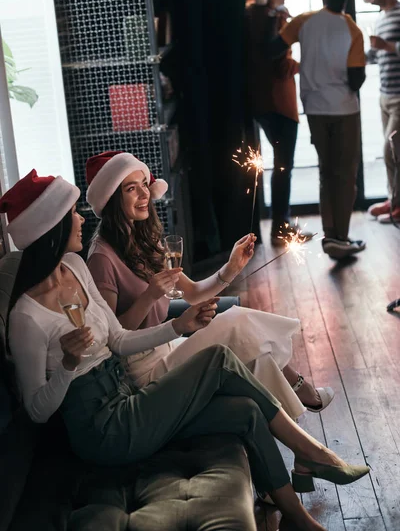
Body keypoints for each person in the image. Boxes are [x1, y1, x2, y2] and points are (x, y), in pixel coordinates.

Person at [1, 169, 370, 531]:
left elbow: (117, 339)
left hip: (128, 397)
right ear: (50, 228)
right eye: (71, 215)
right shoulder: (26, 316)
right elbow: (35, 411)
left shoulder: (75, 266)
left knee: (245, 411)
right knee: (221, 356)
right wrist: (66, 366)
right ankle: (313, 452)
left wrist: (180, 325)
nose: (81, 219)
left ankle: (299, 517)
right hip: (103, 430)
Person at [85, 150, 334, 421]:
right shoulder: (101, 258)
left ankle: (303, 452)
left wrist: (232, 267)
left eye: (144, 184)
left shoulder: (143, 240)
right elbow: (111, 339)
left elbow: (192, 293)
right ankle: (301, 388)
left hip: (168, 349)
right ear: (110, 198)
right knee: (238, 321)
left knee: (258, 356)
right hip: (144, 373)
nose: (145, 194)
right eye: (131, 189)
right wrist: (149, 296)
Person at [267, 0, 368, 260]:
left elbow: (272, 49)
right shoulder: (353, 30)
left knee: (327, 171)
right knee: (346, 174)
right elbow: (356, 80)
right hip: (345, 109)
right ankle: (341, 236)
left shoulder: (303, 22)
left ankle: (330, 235)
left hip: (314, 109)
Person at [245, 0, 313, 246]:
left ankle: (273, 225)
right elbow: (274, 61)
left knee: (272, 165)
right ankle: (280, 228)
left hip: (262, 100)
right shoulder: (271, 18)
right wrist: (300, 64)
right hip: (278, 102)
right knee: (285, 165)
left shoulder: (254, 13)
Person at [366, 0, 400, 224]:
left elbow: (390, 48)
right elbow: (378, 55)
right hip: (384, 96)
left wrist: (386, 45)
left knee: (392, 153)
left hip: (399, 98)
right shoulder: (381, 17)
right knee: (393, 153)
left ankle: (398, 206)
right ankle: (394, 201)